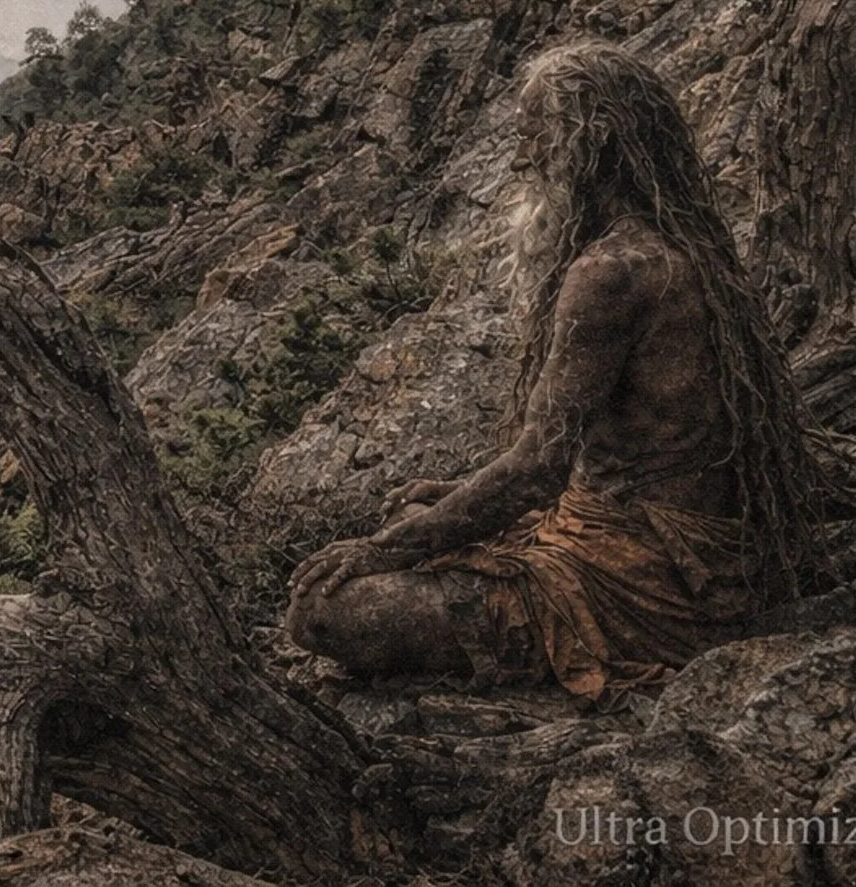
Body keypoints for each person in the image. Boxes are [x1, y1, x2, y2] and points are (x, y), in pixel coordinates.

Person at [284, 42, 821, 703]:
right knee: (418, 505)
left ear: (588, 139)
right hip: (668, 544)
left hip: (640, 576)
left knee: (321, 612)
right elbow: (615, 451)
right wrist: (442, 501)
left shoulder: (610, 272)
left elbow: (538, 465)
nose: (524, 154)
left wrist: (380, 551)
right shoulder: (686, 248)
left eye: (535, 131)